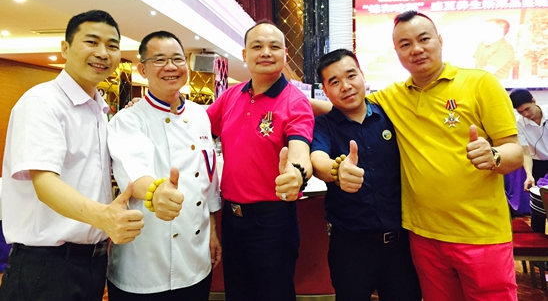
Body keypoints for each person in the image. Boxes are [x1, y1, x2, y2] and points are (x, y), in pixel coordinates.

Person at [312, 10, 523, 301]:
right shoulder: (394, 97)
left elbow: (515, 152)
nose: (416, 49)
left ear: (440, 40)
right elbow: (347, 108)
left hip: (480, 234)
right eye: (405, 44)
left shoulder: (480, 83)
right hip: (423, 237)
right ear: (397, 51)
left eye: (423, 39)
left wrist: (494, 156)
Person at [0, 10, 144, 301]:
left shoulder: (99, 110)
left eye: (112, 46)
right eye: (92, 42)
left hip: (90, 262)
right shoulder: (43, 102)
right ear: (65, 48)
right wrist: (103, 216)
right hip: (45, 266)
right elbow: (45, 184)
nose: (103, 53)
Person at [106, 31, 222, 300]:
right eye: (159, 60)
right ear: (142, 70)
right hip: (145, 264)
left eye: (177, 59)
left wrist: (213, 232)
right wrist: (157, 193)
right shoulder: (129, 120)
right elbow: (134, 175)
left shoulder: (200, 115)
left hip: (195, 259)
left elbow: (207, 181)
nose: (171, 67)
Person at [206, 20, 314, 301]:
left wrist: (297, 173)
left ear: (285, 55)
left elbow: (300, 152)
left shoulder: (295, 102)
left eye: (274, 46)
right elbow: (196, 129)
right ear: (245, 55)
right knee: (237, 292)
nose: (266, 52)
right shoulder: (231, 96)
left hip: (272, 221)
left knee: (274, 294)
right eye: (257, 46)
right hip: (231, 217)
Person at [310, 49, 421, 301]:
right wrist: (337, 170)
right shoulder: (324, 125)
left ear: (362, 75)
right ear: (325, 90)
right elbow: (318, 160)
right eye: (334, 82)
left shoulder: (391, 116)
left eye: (351, 76)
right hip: (350, 247)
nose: (346, 86)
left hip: (401, 245)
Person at [509, 88, 548, 232]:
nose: (525, 114)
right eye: (520, 112)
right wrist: (529, 175)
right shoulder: (519, 123)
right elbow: (525, 153)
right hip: (538, 163)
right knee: (538, 206)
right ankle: (537, 239)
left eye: (527, 109)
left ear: (533, 101)